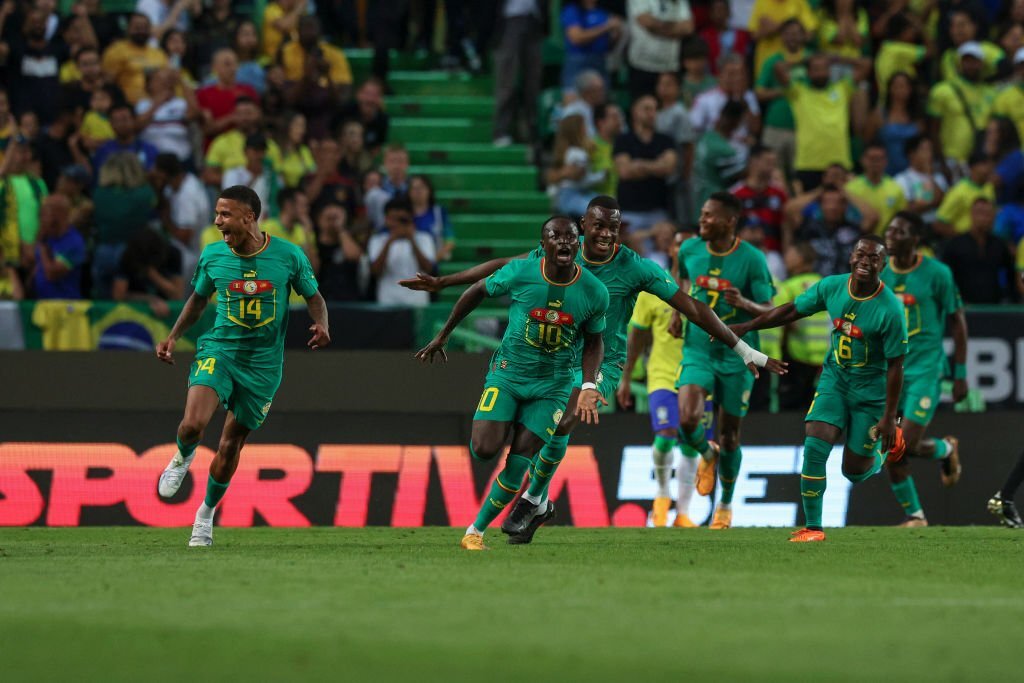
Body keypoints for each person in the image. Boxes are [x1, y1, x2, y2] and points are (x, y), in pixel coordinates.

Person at [401, 195, 785, 543]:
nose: (605, 234)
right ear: (584, 226)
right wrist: (444, 282)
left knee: (565, 421)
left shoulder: (636, 268)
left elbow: (693, 307)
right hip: (553, 356)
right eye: (598, 226)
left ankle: (534, 496)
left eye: (613, 228)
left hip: (601, 359)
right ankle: (540, 498)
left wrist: (741, 347)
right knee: (531, 432)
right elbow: (508, 266)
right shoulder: (564, 248)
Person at [415, 215, 609, 550]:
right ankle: (537, 493)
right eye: (555, 236)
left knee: (518, 460)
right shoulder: (521, 272)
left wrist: (589, 386)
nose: (564, 242)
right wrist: (444, 334)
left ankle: (474, 532)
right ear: (542, 244)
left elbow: (594, 342)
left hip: (552, 387)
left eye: (570, 237)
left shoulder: (594, 291)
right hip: (507, 376)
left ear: (579, 244)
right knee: (484, 449)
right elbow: (477, 290)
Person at [155, 185, 329, 547]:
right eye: (217, 215)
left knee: (230, 446)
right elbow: (198, 301)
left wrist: (322, 324)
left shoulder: (288, 255)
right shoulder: (213, 255)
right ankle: (183, 456)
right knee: (192, 424)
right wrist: (173, 336)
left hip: (263, 367)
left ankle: (204, 515)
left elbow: (314, 298)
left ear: (249, 217)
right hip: (220, 352)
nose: (218, 222)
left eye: (225, 215)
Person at [730, 234, 909, 542]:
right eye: (860, 255)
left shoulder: (890, 309)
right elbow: (790, 311)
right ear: (851, 256)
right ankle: (813, 528)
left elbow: (896, 366)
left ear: (884, 264)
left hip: (871, 394)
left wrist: (889, 416)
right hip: (835, 380)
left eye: (874, 258)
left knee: (853, 471)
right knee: (814, 446)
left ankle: (887, 450)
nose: (865, 262)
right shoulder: (832, 286)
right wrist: (748, 325)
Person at [669, 192, 775, 529]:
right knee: (687, 420)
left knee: (730, 436)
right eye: (702, 213)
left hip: (736, 357)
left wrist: (744, 303)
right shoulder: (689, 249)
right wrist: (676, 311)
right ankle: (706, 452)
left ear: (730, 221)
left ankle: (725, 506)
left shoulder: (753, 259)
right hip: (698, 349)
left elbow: (769, 310)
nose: (702, 220)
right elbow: (680, 279)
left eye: (709, 215)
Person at [881, 211, 967, 527]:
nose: (890, 236)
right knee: (891, 443)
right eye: (888, 230)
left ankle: (945, 448)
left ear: (915, 238)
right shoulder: (879, 274)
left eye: (898, 231)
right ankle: (915, 515)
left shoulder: (937, 274)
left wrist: (960, 374)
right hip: (890, 373)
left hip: (925, 370)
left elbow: (958, 322)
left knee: (909, 443)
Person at [617, 232, 703, 527]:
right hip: (662, 376)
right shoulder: (654, 287)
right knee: (666, 435)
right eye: (679, 244)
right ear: (670, 249)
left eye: (690, 244)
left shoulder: (709, 288)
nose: (683, 249)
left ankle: (683, 512)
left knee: (692, 442)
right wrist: (626, 378)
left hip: (699, 376)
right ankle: (662, 496)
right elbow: (637, 337)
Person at [779, 52, 867, 191]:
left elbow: (865, 66)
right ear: (808, 72)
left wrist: (838, 58)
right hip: (808, 163)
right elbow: (778, 68)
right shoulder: (798, 92)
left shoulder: (842, 88)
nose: (820, 73)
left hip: (840, 162)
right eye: (815, 69)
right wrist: (803, 61)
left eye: (824, 68)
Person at [927, 42, 996, 180]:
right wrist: (941, 162)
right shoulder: (942, 90)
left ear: (982, 64)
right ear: (959, 64)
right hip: (951, 160)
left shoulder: (992, 93)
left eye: (975, 61)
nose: (971, 65)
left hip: (980, 162)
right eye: (966, 60)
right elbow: (932, 129)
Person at [92, 152, 157, 297]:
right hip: (131, 255)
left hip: (103, 252)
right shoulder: (145, 194)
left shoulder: (99, 194)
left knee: (103, 301)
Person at [774, 242, 830, 409]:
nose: (786, 259)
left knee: (793, 404)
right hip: (824, 356)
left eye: (791, 255)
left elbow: (786, 321)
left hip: (799, 354)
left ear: (801, 259)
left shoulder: (790, 287)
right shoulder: (824, 284)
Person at [755, 18, 811, 185]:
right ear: (781, 37)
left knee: (799, 177)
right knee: (773, 176)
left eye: (796, 33)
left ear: (804, 36)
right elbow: (759, 92)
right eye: (787, 34)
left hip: (804, 129)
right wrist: (784, 92)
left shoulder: (812, 60)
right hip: (775, 126)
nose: (792, 37)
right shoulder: (772, 61)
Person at [614, 95, 677, 235]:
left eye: (655, 109)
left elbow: (668, 168)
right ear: (635, 111)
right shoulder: (623, 140)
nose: (652, 113)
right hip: (629, 211)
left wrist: (638, 164)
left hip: (658, 211)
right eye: (647, 109)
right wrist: (656, 165)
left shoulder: (665, 140)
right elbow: (625, 171)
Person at [491, 0, 548, 146]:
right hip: (509, 19)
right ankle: (501, 130)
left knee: (533, 83)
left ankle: (531, 132)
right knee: (507, 81)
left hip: (534, 20)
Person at [942, 198, 1015, 304]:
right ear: (971, 214)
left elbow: (1010, 276)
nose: (983, 218)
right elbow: (946, 279)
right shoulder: (955, 244)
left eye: (988, 214)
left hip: (994, 307)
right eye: (979, 213)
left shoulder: (1000, 245)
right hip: (963, 306)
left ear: (994, 217)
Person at [368, 197, 436, 307]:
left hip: (417, 302)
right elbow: (375, 271)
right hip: (387, 302)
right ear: (386, 219)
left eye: (401, 219)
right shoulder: (377, 240)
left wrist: (412, 239)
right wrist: (390, 241)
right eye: (393, 218)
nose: (396, 223)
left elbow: (428, 269)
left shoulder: (424, 238)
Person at [792, 184, 872, 276]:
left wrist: (846, 193)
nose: (832, 207)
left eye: (838, 202)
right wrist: (820, 191)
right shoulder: (809, 226)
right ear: (820, 205)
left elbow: (872, 217)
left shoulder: (853, 229)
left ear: (845, 205)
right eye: (828, 202)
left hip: (845, 283)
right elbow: (790, 210)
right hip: (815, 283)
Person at [692, 100, 749, 222]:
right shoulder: (723, 149)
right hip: (715, 208)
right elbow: (741, 175)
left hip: (697, 201)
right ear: (735, 121)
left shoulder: (706, 138)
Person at [626, 0, 694, 99]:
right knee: (644, 109)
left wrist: (658, 29)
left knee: (669, 110)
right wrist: (675, 29)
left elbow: (688, 27)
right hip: (642, 65)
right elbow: (646, 22)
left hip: (670, 66)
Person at [732, 144, 788, 259]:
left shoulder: (779, 194)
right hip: (742, 254)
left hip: (772, 255)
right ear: (753, 162)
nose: (772, 167)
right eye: (768, 162)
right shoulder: (736, 194)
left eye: (774, 163)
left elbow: (785, 227)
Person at [112, 227, 185, 316]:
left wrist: (153, 275)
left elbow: (177, 295)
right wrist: (149, 299)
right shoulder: (128, 256)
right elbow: (118, 296)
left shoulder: (173, 254)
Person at [864, 72, 926, 177]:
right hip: (885, 173)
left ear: (910, 89)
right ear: (890, 89)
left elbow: (923, 147)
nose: (899, 90)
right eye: (896, 86)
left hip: (911, 176)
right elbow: (867, 142)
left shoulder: (917, 117)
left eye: (903, 86)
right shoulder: (878, 115)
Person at [101, 13, 169, 104]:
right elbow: (108, 83)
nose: (141, 31)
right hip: (129, 105)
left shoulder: (159, 53)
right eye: (137, 28)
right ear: (128, 29)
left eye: (145, 28)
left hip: (159, 104)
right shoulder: (115, 51)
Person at [196, 48, 260, 141]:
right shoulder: (204, 94)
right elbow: (206, 129)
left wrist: (247, 117)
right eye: (227, 64)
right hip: (217, 149)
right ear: (215, 67)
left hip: (248, 147)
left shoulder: (248, 90)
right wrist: (231, 119)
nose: (233, 68)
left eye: (235, 64)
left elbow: (258, 118)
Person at [844, 141, 907, 234]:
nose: (875, 163)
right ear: (862, 160)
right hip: (858, 240)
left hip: (886, 241)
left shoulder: (896, 188)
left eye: (879, 159)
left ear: (886, 161)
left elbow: (902, 218)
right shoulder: (850, 188)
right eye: (871, 158)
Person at [560, 0, 621, 91]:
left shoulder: (602, 11)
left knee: (602, 96)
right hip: (579, 60)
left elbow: (609, 44)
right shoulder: (572, 11)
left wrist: (616, 34)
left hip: (600, 59)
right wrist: (606, 27)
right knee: (573, 95)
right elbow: (576, 38)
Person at [32, 194, 85, 299]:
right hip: (41, 304)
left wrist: (42, 248)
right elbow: (37, 264)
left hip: (64, 306)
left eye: (44, 213)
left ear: (59, 214)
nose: (41, 218)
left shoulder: (74, 242)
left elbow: (52, 274)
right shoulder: (47, 236)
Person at [548, 114, 601, 216]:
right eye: (584, 125)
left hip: (579, 193)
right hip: (569, 196)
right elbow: (580, 178)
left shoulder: (571, 152)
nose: (587, 129)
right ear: (577, 130)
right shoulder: (577, 154)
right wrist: (601, 176)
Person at [933, 152, 996, 237]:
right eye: (984, 165)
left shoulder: (989, 187)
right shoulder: (959, 191)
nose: (988, 169)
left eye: (990, 165)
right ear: (972, 167)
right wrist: (963, 240)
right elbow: (939, 224)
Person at [894, 135, 947, 226]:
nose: (929, 154)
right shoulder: (902, 179)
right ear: (911, 154)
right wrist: (932, 201)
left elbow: (943, 201)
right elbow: (908, 208)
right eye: (924, 150)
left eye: (930, 150)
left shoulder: (938, 177)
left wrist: (930, 175)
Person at [91, 104, 160, 174]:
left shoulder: (149, 149)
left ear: (134, 120)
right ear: (110, 123)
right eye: (116, 120)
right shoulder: (103, 151)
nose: (121, 124)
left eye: (124, 119)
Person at [334, 78, 389, 155]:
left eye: (375, 95)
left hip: (366, 159)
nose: (370, 99)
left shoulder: (383, 119)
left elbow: (377, 148)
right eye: (367, 94)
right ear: (358, 94)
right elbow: (333, 139)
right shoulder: (345, 112)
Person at [408, 174, 454, 262]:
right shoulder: (404, 214)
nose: (418, 191)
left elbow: (450, 241)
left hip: (433, 264)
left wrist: (433, 261)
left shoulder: (439, 212)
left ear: (429, 190)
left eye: (421, 187)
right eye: (414, 188)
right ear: (409, 192)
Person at [590, 102, 623, 198]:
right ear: (600, 122)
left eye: (619, 117)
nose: (619, 121)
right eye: (614, 117)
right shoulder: (590, 145)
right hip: (598, 201)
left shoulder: (624, 144)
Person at [276, 111, 315, 189]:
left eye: (303, 127)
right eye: (298, 125)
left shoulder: (304, 151)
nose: (302, 131)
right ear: (287, 125)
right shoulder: (274, 148)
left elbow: (312, 172)